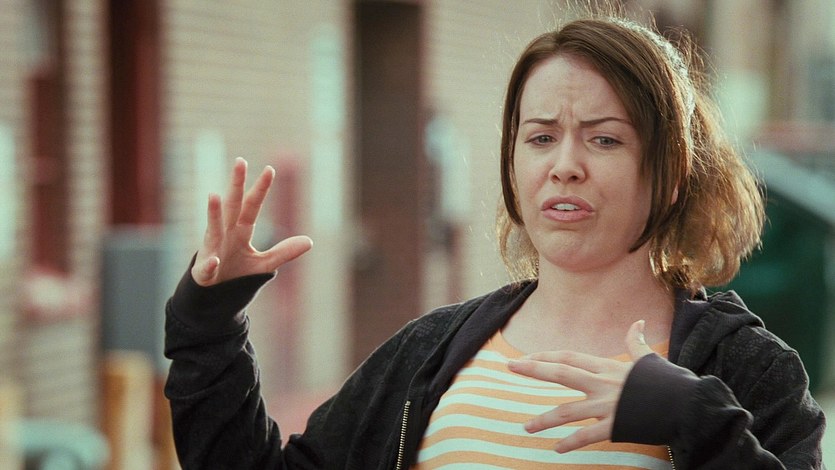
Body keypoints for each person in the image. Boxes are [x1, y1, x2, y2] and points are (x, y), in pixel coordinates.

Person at [164, 11, 826, 470]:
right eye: (540, 137)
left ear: (671, 174)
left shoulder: (744, 369)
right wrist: (208, 327)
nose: (564, 164)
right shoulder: (431, 352)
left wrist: (695, 422)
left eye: (603, 138)